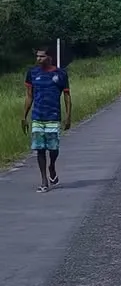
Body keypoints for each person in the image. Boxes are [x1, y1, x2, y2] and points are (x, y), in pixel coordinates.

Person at [22, 47, 71, 193]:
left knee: (53, 148)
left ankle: (52, 166)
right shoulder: (32, 73)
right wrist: (24, 116)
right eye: (37, 56)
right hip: (37, 116)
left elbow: (67, 96)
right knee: (40, 149)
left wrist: (68, 116)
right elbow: (29, 96)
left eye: (42, 57)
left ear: (50, 57)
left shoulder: (60, 74)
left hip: (53, 116)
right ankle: (44, 180)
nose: (38, 59)